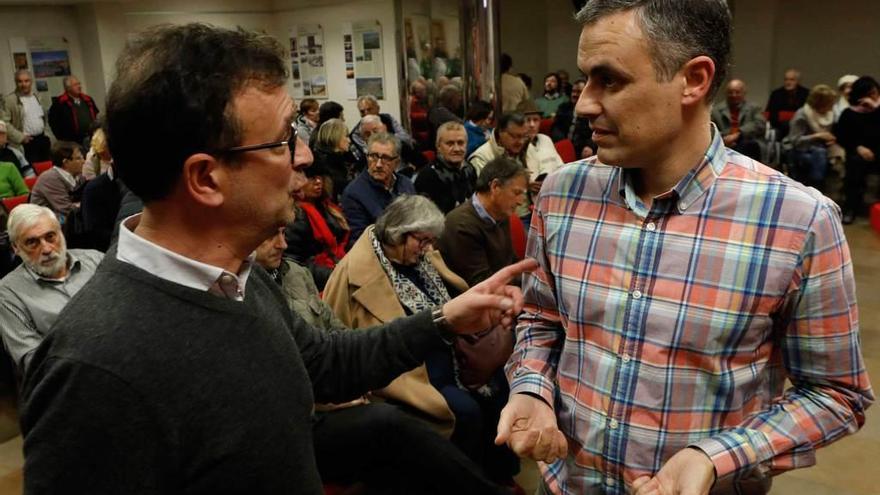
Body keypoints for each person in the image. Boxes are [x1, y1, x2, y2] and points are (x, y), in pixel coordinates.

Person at [20, 24, 535, 494]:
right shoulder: (92, 371)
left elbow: (325, 364)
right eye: (285, 140)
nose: (305, 156)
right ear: (205, 178)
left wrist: (446, 319)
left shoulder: (241, 277)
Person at [496, 2, 872, 495]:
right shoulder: (563, 194)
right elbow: (543, 320)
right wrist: (531, 389)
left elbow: (835, 393)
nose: (585, 103)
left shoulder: (798, 221)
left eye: (609, 80)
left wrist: (714, 457)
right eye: (585, 79)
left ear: (693, 80)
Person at [324, 195, 519, 484]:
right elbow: (342, 342)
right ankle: (465, 483)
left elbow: (453, 299)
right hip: (408, 375)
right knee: (465, 412)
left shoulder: (421, 257)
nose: (428, 249)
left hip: (449, 351)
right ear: (398, 234)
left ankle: (498, 476)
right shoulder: (355, 273)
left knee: (499, 387)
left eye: (431, 241)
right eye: (422, 241)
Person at [0, 204, 102, 375]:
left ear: (61, 233)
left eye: (50, 237)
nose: (46, 249)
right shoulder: (8, 293)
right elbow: (32, 359)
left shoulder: (95, 260)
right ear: (16, 248)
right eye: (32, 242)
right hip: (72, 380)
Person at [438, 157, 526, 287]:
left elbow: (511, 262)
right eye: (516, 193)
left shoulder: (501, 212)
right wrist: (529, 282)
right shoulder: (461, 225)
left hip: (502, 291)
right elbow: (481, 283)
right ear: (495, 187)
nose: (521, 201)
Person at [341, 132, 416, 246]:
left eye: (386, 158)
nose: (378, 164)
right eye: (374, 157)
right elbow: (360, 241)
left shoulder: (406, 184)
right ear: (367, 157)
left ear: (397, 162)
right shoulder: (353, 193)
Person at [284, 162, 350, 290]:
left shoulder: (328, 207)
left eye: (320, 177)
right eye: (311, 178)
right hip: (317, 283)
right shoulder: (295, 216)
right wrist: (334, 275)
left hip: (338, 266)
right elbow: (295, 262)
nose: (318, 182)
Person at [834, 76, 880, 225]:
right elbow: (842, 137)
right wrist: (858, 148)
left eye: (875, 92)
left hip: (878, 152)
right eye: (870, 93)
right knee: (855, 168)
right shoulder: (849, 113)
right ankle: (850, 209)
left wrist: (875, 110)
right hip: (857, 153)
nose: (874, 96)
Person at [785, 84, 843, 190]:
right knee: (819, 154)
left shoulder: (831, 114)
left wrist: (831, 139)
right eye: (829, 102)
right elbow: (795, 140)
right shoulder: (802, 115)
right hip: (802, 149)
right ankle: (816, 187)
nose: (832, 105)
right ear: (820, 103)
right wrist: (817, 136)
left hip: (825, 147)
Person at [415, 121, 476, 214]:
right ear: (438, 146)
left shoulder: (470, 169)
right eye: (450, 144)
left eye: (460, 143)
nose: (456, 149)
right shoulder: (427, 176)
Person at [1, 70, 50, 163]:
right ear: (16, 83)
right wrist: (20, 137)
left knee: (46, 169)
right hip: (25, 144)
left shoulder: (37, 97)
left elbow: (44, 117)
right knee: (32, 173)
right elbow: (4, 123)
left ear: (31, 82)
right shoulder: (9, 100)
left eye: (26, 81)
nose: (23, 84)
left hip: (42, 140)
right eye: (20, 81)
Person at [710, 79, 766, 161]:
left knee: (747, 146)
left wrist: (738, 134)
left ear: (744, 93)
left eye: (737, 92)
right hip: (723, 142)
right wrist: (724, 138)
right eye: (730, 92)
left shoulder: (754, 108)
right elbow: (711, 129)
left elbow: (760, 124)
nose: (734, 95)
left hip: (749, 142)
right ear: (726, 93)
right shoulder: (716, 110)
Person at [29, 140, 86, 220]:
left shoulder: (79, 176)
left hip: (69, 220)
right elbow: (66, 209)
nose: (84, 161)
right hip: (46, 222)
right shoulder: (50, 179)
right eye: (78, 159)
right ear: (66, 162)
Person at [311, 118, 358, 200]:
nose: (349, 141)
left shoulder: (341, 158)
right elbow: (345, 187)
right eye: (346, 136)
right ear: (335, 137)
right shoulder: (326, 164)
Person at [48, 75, 100, 146]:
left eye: (79, 84)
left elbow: (96, 115)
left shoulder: (88, 99)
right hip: (72, 142)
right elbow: (53, 122)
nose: (79, 86)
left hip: (91, 138)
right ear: (68, 88)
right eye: (75, 85)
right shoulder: (60, 103)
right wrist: (62, 139)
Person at [765, 69, 809, 139]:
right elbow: (771, 113)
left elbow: (808, 113)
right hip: (781, 127)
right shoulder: (776, 94)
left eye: (792, 80)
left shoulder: (806, 94)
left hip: (801, 126)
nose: (788, 82)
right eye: (786, 80)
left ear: (798, 81)